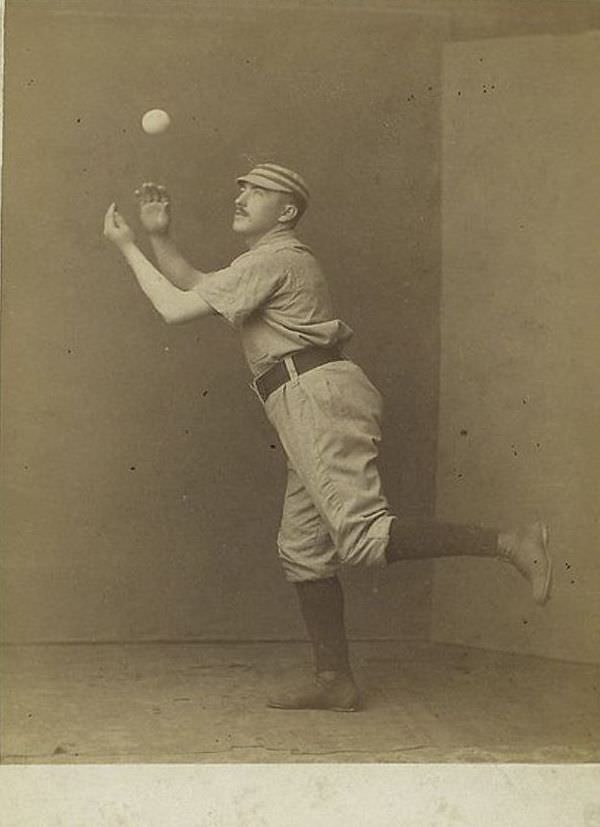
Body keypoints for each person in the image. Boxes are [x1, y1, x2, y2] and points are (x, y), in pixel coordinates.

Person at [103, 162, 552, 712]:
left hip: (316, 396)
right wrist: (158, 236)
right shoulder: (262, 262)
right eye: (241, 186)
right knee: (303, 549)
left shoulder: (277, 259)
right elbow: (196, 286)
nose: (241, 195)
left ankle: (510, 542)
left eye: (258, 190)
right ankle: (335, 680)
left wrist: (126, 248)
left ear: (286, 211)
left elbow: (174, 309)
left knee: (360, 537)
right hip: (304, 398)